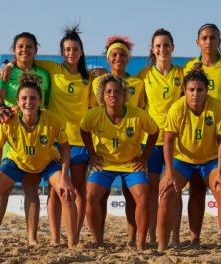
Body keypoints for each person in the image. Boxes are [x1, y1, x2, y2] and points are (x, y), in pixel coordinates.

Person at [0, 25, 94, 244]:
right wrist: (9, 63)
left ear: (81, 52)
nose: (71, 53)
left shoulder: (88, 78)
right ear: (62, 53)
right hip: (54, 140)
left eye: (75, 49)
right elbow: (25, 60)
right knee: (55, 191)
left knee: (77, 191)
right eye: (67, 49)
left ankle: (74, 235)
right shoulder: (51, 68)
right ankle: (54, 237)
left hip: (78, 141)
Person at [0, 74, 77, 248]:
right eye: (24, 98)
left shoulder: (52, 119)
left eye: (33, 98)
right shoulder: (7, 120)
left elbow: (65, 148)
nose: (28, 102)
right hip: (17, 161)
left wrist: (65, 177)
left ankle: (72, 245)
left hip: (46, 161)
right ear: (17, 101)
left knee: (66, 192)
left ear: (40, 101)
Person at [157, 69, 221, 252]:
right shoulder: (177, 108)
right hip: (182, 160)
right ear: (185, 90)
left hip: (209, 161)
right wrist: (169, 173)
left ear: (206, 91)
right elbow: (168, 141)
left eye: (200, 90)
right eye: (191, 89)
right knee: (167, 192)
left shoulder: (215, 107)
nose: (195, 94)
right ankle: (161, 247)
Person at [80, 74, 158, 250]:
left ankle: (140, 243)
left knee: (143, 196)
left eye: (117, 91)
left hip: (131, 164)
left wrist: (144, 157)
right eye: (108, 91)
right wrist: (92, 154)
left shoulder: (138, 114)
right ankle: (98, 241)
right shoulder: (94, 115)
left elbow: (154, 132)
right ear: (102, 95)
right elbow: (84, 130)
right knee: (91, 196)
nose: (112, 94)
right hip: (104, 164)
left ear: (124, 94)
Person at [0, 32, 51, 245]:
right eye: (20, 46)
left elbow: (47, 105)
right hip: (12, 134)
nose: (25, 50)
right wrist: (0, 107)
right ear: (14, 50)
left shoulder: (44, 74)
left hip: (35, 136)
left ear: (36, 50)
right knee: (2, 190)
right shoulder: (5, 71)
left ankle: (32, 238)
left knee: (31, 188)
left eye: (29, 46)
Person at [183, 23, 221, 247]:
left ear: (219, 41)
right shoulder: (190, 67)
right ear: (198, 42)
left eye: (213, 37)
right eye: (204, 38)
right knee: (196, 188)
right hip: (200, 135)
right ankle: (194, 239)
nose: (208, 41)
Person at [89, 36, 146, 245]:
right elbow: (91, 112)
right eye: (114, 54)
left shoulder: (138, 84)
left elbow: (141, 112)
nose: (118, 57)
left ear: (128, 58)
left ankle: (133, 239)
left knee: (132, 196)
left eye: (122, 54)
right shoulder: (96, 82)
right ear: (107, 58)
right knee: (99, 196)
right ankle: (99, 239)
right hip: (104, 150)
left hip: (131, 147)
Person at [137, 28, 183, 246]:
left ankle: (175, 236)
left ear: (172, 48)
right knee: (154, 189)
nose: (162, 49)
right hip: (152, 140)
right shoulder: (144, 75)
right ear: (152, 49)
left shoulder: (181, 74)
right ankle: (155, 236)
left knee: (174, 188)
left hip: (176, 139)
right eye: (158, 46)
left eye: (166, 45)